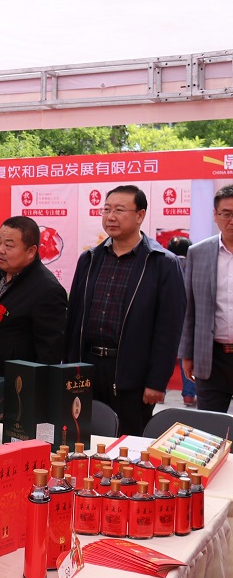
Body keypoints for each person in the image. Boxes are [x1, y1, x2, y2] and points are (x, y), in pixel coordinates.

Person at [64, 184, 185, 437]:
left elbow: (169, 329)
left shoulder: (162, 263)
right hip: (86, 369)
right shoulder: (89, 259)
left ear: (140, 215)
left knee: (128, 444)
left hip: (132, 374)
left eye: (119, 210)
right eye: (106, 210)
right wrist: (69, 368)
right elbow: (73, 318)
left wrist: (156, 381)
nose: (111, 217)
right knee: (81, 438)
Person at [0, 216, 67, 385]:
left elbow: (49, 355)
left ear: (31, 251)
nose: (0, 250)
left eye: (8, 245)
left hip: (15, 387)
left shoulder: (47, 290)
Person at [181, 184, 233, 413]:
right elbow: (189, 308)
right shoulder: (198, 253)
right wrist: (187, 353)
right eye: (226, 214)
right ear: (215, 215)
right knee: (210, 427)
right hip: (211, 357)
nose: (232, 220)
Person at [167, 235, 196, 406]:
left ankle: (160, 392)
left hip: (167, 317)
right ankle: (189, 395)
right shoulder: (195, 265)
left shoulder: (165, 264)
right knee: (187, 356)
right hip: (188, 318)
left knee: (164, 356)